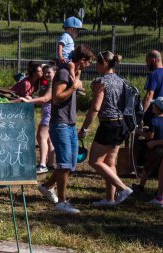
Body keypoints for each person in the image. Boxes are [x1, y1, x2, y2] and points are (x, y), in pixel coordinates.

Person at [37, 44, 94, 214]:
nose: (90, 65)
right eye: (89, 62)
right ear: (82, 60)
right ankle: (61, 202)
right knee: (64, 162)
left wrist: (74, 71)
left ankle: (47, 186)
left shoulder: (71, 70)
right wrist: (74, 87)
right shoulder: (62, 73)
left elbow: (75, 74)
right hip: (60, 123)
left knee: (70, 162)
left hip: (70, 124)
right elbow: (56, 98)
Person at [78, 51, 133, 206]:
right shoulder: (122, 81)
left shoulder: (101, 82)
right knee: (110, 163)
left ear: (103, 64)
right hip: (121, 124)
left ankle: (123, 189)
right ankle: (110, 198)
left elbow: (95, 108)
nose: (95, 66)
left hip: (108, 125)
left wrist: (84, 128)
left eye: (97, 63)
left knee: (95, 161)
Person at [19, 64, 56, 174]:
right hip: (50, 114)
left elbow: (45, 99)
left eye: (49, 72)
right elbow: (42, 98)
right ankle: (50, 164)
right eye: (45, 73)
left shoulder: (52, 85)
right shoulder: (49, 84)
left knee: (41, 137)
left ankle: (42, 164)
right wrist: (34, 98)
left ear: (55, 72)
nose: (46, 74)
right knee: (49, 140)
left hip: (49, 115)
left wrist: (29, 101)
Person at [132, 97, 163, 201]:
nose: (152, 107)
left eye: (153, 105)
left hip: (155, 149)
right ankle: (159, 190)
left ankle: (141, 186)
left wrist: (139, 132)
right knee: (160, 171)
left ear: (157, 108)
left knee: (147, 168)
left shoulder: (154, 120)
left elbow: (150, 136)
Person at [56, 16, 87, 81]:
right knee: (72, 65)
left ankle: (78, 84)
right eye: (78, 30)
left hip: (67, 59)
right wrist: (60, 57)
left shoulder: (69, 38)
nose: (78, 33)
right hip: (63, 60)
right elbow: (60, 45)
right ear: (72, 29)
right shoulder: (65, 36)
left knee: (78, 68)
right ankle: (73, 81)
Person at [143, 50, 163, 127]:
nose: (147, 64)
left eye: (147, 61)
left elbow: (149, 95)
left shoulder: (154, 74)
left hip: (153, 114)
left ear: (153, 60)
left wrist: (142, 113)